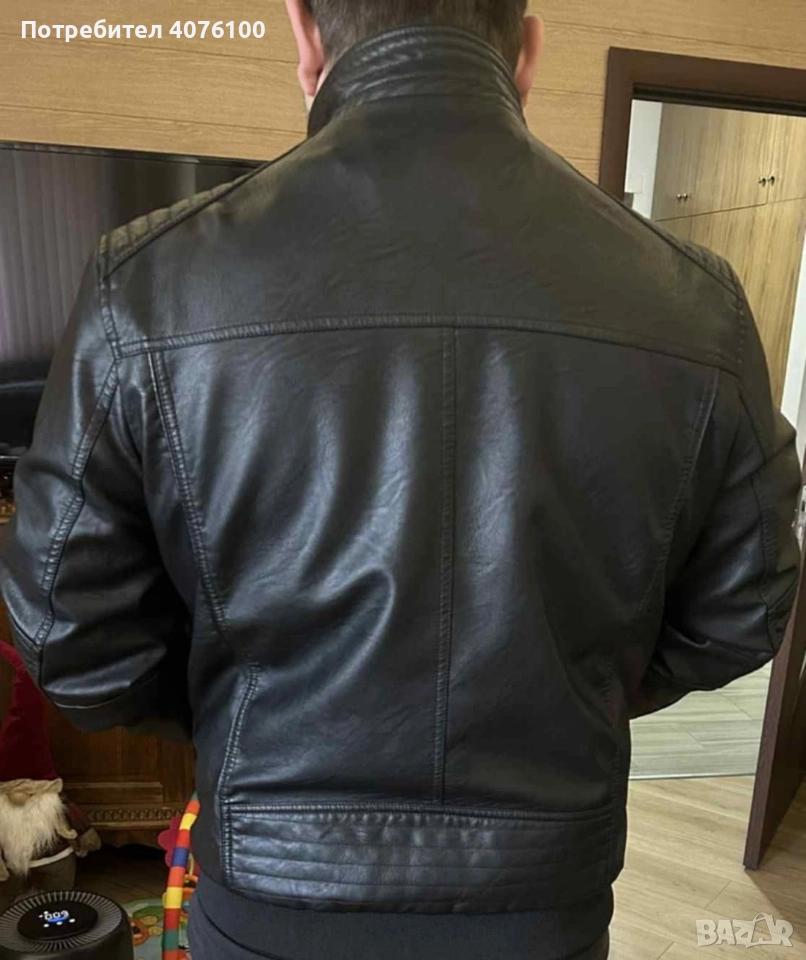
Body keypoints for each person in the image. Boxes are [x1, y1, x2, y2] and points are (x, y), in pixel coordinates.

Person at [0, 1, 801, 957]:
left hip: (273, 897)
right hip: (542, 899)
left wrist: (237, 703)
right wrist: (577, 687)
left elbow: (68, 630)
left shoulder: (146, 281)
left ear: (305, 35)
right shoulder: (696, 301)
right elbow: (747, 604)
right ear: (528, 49)